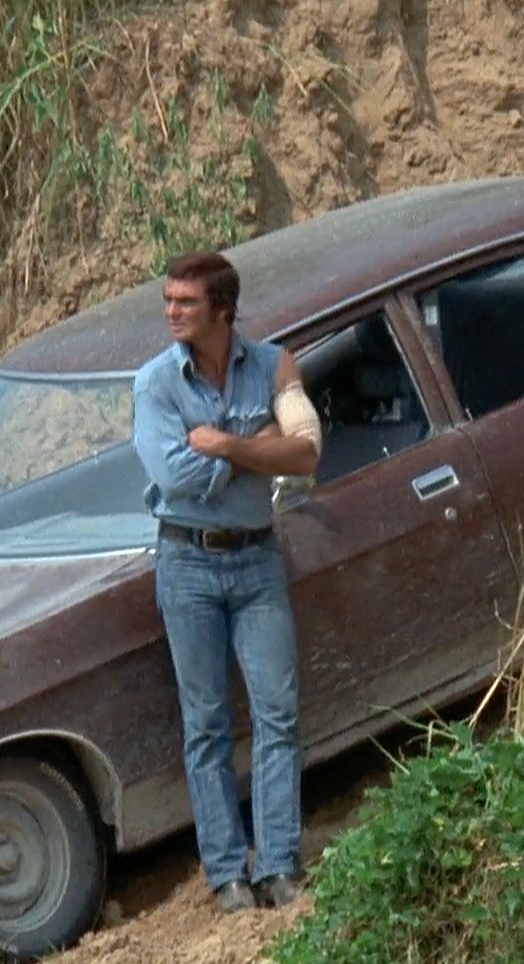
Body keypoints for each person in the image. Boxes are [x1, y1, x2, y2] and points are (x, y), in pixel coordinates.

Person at [130, 251, 323, 912]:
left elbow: (306, 451)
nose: (172, 312)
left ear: (222, 309)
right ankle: (226, 874)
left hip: (256, 559)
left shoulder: (272, 365)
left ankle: (278, 864)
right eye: (168, 300)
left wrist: (227, 444)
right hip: (186, 561)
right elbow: (173, 474)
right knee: (207, 722)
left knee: (277, 711)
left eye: (185, 301)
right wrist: (258, 447)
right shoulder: (155, 384)